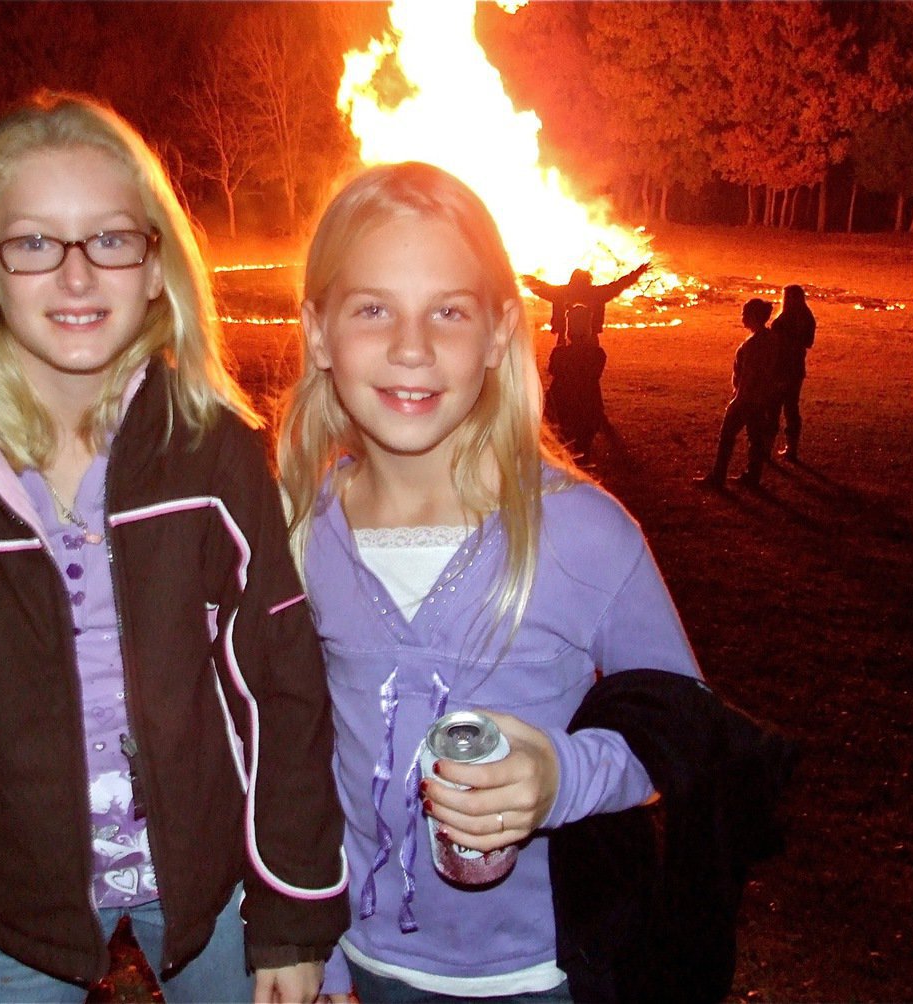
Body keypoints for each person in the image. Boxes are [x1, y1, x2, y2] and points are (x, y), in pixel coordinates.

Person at [0, 92, 348, 1004]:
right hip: (15, 914)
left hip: (219, 891)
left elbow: (280, 686)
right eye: (35, 243)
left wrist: (293, 913)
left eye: (111, 239)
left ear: (157, 267)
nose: (76, 276)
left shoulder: (216, 452)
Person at [277, 162, 784, 1003]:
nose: (412, 346)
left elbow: (683, 733)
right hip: (367, 968)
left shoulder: (584, 532)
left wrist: (561, 778)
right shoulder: (300, 533)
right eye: (374, 309)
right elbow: (306, 764)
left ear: (501, 332)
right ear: (320, 332)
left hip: (545, 973)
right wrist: (323, 955)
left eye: (449, 310)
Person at [695, 298, 779, 491]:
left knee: (727, 436)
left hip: (747, 398)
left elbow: (749, 375)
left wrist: (738, 400)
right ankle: (753, 476)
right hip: (762, 398)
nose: (742, 317)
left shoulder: (753, 344)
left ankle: (718, 476)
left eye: (745, 314)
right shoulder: (771, 339)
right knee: (755, 437)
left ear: (754, 316)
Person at [520, 262, 649, 345]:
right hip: (590, 338)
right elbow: (618, 285)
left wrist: (519, 277)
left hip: (564, 338)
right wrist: (637, 273)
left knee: (563, 367)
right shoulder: (597, 293)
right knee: (589, 366)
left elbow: (541, 288)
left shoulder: (561, 293)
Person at [544, 304, 606, 463]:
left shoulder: (559, 354)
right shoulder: (597, 355)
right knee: (583, 452)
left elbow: (553, 371)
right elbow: (594, 374)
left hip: (562, 408)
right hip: (588, 408)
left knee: (560, 452)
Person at [769, 284, 815, 462]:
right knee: (791, 408)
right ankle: (791, 448)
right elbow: (808, 342)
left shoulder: (783, 320)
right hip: (796, 370)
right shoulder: (807, 317)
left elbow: (776, 345)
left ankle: (767, 446)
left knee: (774, 408)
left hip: (782, 368)